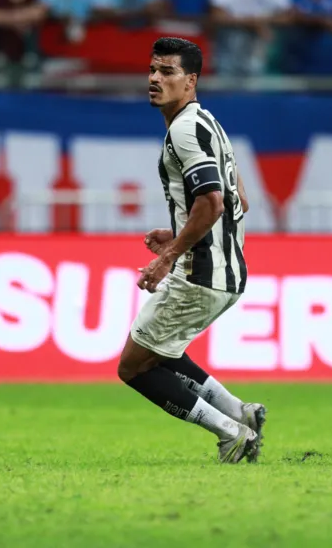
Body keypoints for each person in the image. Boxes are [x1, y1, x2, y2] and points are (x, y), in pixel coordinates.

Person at [118, 37, 264, 464]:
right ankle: (242, 414)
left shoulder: (183, 131)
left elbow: (214, 202)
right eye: (152, 69)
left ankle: (231, 432)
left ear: (191, 81)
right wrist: (179, 230)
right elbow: (240, 200)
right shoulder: (208, 124)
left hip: (201, 274)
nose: (154, 78)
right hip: (226, 272)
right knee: (162, 353)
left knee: (134, 367)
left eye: (167, 72)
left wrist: (169, 256)